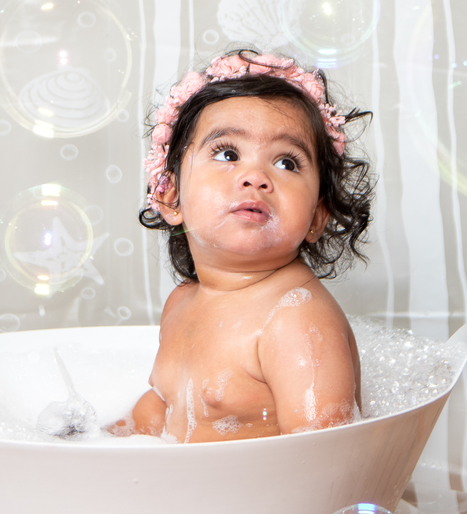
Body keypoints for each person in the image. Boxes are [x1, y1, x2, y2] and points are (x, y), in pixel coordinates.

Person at [116, 50, 374, 442]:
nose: (255, 176)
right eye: (228, 154)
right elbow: (165, 405)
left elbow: (323, 455)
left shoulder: (296, 319)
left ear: (317, 217)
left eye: (287, 163)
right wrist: (105, 439)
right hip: (184, 479)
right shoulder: (181, 303)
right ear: (170, 197)